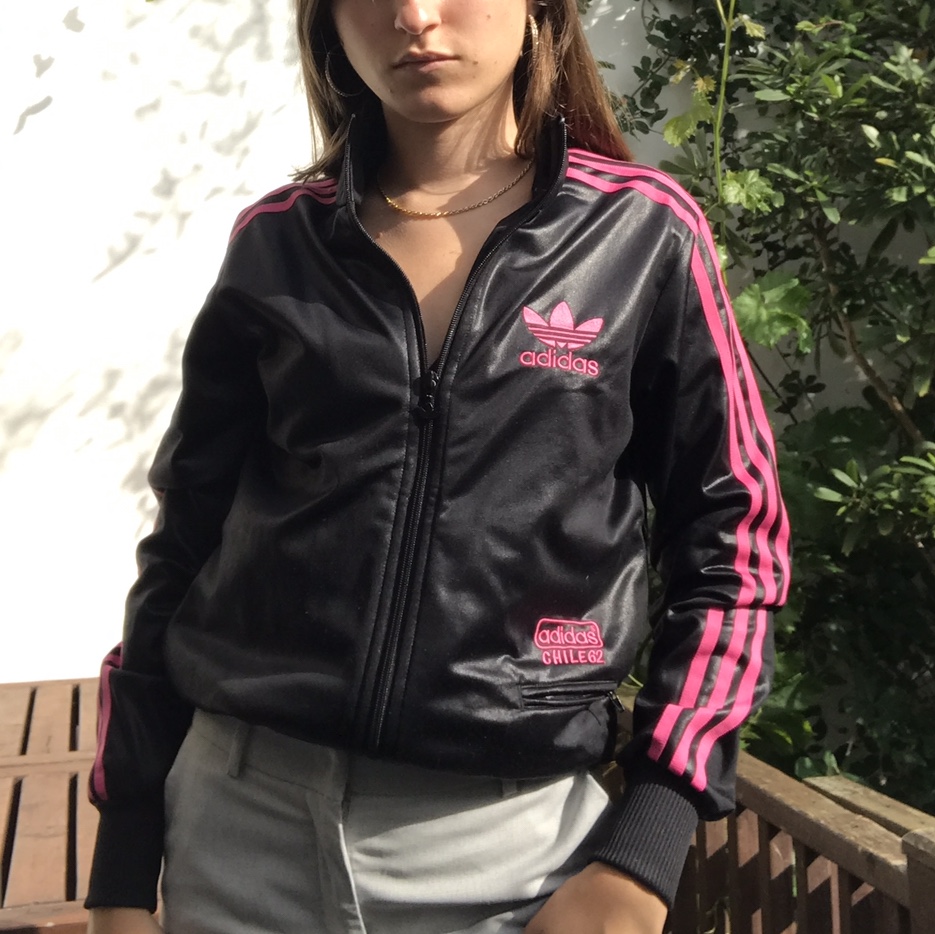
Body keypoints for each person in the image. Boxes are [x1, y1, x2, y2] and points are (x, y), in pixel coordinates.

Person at [85, 0, 790, 932]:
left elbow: (736, 540)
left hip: (511, 853)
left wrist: (647, 843)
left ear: (539, 12)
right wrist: (123, 864)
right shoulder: (278, 243)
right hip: (236, 830)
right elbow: (182, 545)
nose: (414, 15)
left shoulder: (641, 234)